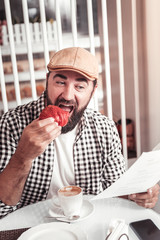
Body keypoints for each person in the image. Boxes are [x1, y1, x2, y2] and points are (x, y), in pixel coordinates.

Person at [0, 47, 159, 218]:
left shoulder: (105, 128)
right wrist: (23, 156)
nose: (67, 95)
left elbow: (115, 193)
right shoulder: (12, 123)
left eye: (80, 86)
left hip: (88, 223)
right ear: (47, 80)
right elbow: (3, 206)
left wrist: (140, 194)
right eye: (60, 82)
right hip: (31, 226)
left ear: (93, 90)